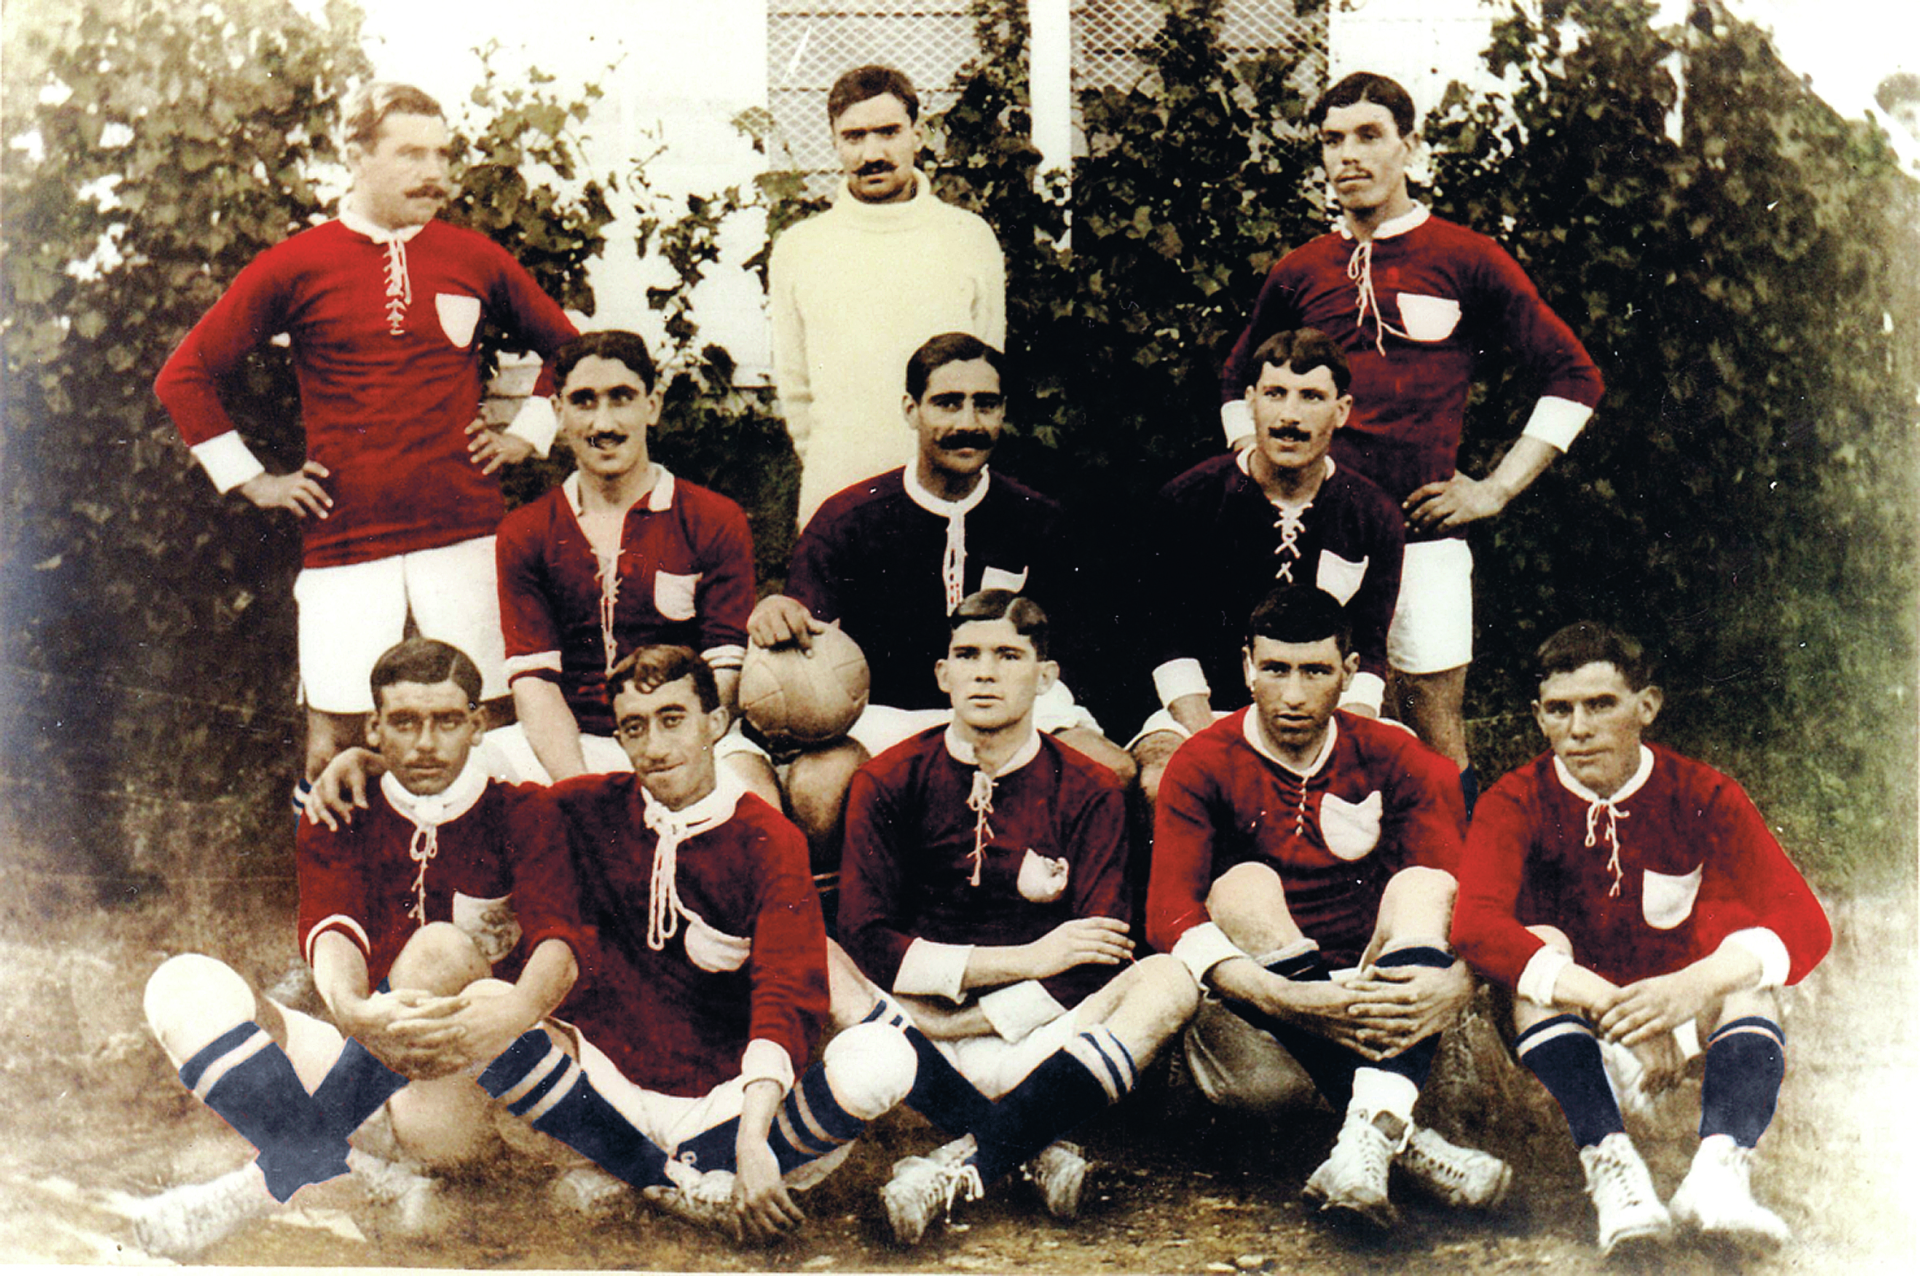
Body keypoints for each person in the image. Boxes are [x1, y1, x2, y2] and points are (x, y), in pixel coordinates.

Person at [154, 82, 580, 794]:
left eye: (442, 154)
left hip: (465, 531)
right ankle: (338, 906)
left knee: (494, 723)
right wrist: (255, 479)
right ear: (355, 156)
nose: (434, 172)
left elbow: (571, 350)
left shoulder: (472, 256)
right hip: (345, 539)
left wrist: (526, 435)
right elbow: (184, 376)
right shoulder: (296, 264)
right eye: (411, 153)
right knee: (338, 738)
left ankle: (487, 904)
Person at [128, 639, 590, 1258]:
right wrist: (351, 1007)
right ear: (373, 728)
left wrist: (509, 1013)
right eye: (404, 722)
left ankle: (262, 1186)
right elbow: (334, 928)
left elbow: (561, 947)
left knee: (439, 951)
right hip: (370, 1069)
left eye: (446, 721)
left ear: (477, 725)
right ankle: (365, 1179)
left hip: (470, 1087)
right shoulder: (344, 806)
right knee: (181, 983)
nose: (425, 743)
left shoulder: (523, 809)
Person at [1218, 72, 1604, 800]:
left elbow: (1573, 375)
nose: (1348, 156)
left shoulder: (1465, 256)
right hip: (1320, 533)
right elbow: (1237, 381)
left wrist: (1494, 488)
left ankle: (1452, 894)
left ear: (1409, 147)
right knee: (1307, 719)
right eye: (1332, 140)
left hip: (1423, 537)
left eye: (1369, 136)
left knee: (1434, 731)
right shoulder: (1301, 270)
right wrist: (1256, 466)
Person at [1449, 622, 1831, 1255]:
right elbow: (1476, 926)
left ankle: (1718, 1172)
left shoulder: (1701, 792)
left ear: (1645, 707)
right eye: (1559, 710)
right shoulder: (1514, 799)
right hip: (1573, 1029)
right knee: (1536, 943)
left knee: (1747, 969)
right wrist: (1614, 1006)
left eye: (1601, 705)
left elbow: (1806, 924)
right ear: (1539, 718)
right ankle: (1612, 1167)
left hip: (1676, 1018)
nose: (1579, 727)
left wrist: (1693, 985)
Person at [836, 590, 1200, 1245]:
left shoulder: (1090, 787)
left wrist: (984, 1015)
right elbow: (865, 940)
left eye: (1008, 655)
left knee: (1169, 979)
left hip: (1038, 1037)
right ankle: (1034, 1147)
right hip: (918, 1033)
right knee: (825, 960)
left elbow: (1099, 951)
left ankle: (957, 1166)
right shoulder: (888, 779)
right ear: (942, 673)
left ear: (1045, 678)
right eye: (967, 655)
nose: (985, 672)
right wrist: (1023, 961)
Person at [1145, 587, 1508, 1230]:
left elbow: (1463, 888)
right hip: (1258, 1013)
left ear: (1349, 672)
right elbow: (1168, 912)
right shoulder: (1203, 760)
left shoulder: (1392, 751)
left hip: (1371, 997)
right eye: (1275, 670)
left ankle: (1362, 1152)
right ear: (1247, 668)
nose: (1292, 694)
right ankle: (1410, 1140)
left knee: (1427, 885)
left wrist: (1458, 982)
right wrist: (1282, 998)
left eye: (1314, 671)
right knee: (1241, 885)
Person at [536, 643, 918, 1244]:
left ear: (715, 724)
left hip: (729, 1100)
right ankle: (678, 1181)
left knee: (885, 1059)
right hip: (611, 1088)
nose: (655, 746)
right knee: (489, 1012)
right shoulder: (587, 807)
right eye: (634, 728)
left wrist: (751, 1138)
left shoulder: (768, 837)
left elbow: (785, 993)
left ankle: (650, 1172)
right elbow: (480, 805)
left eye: (672, 719)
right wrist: (368, 766)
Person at [748, 333, 1131, 880]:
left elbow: (1074, 648)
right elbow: (803, 628)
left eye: (986, 404)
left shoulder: (1038, 519)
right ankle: (835, 934)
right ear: (912, 409)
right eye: (948, 403)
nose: (968, 422)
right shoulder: (849, 517)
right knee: (818, 783)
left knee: (1111, 770)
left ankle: (1080, 928)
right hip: (887, 717)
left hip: (1019, 713)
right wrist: (777, 613)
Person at [490, 330, 779, 807]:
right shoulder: (527, 530)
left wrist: (668, 755)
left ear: (653, 404)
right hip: (570, 736)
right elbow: (535, 681)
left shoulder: (712, 518)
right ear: (558, 412)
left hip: (685, 733)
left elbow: (722, 672)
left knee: (755, 802)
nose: (604, 422)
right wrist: (576, 786)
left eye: (621, 398)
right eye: (584, 402)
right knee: (473, 781)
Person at [1133, 328, 1404, 805]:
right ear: (1251, 402)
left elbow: (1369, 644)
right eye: (1276, 395)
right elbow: (1166, 638)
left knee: (1402, 778)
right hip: (1207, 713)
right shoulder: (1189, 501)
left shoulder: (1372, 513)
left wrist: (1347, 735)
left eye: (1311, 397)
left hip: (1321, 718)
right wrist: (1211, 742)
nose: (1290, 417)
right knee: (1165, 782)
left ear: (1341, 411)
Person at [768, 64, 1006, 528]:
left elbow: (987, 378)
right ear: (835, 142)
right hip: (836, 497)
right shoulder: (800, 248)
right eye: (854, 136)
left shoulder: (968, 239)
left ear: (917, 134)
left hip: (948, 499)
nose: (871, 152)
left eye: (888, 132)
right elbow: (795, 391)